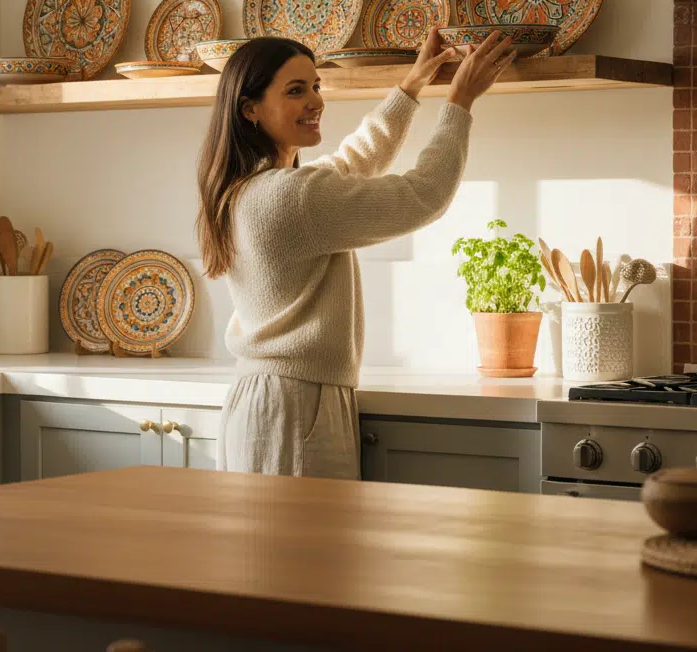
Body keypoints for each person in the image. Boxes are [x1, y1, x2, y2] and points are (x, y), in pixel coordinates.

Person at [195, 28, 515, 479]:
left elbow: (352, 162)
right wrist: (460, 101)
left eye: (316, 86)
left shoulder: (251, 190)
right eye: (295, 90)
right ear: (250, 109)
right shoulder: (288, 197)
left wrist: (413, 83)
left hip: (270, 401)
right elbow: (423, 195)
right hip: (295, 405)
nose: (315, 101)